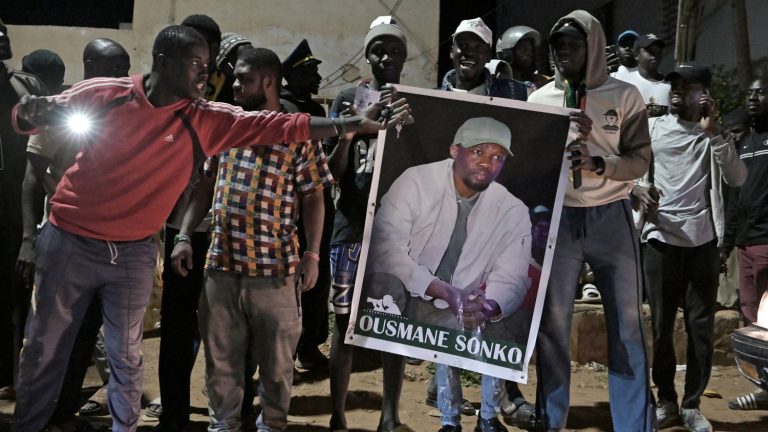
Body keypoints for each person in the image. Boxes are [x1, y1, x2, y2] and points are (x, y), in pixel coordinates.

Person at [10, 24, 408, 432]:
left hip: (135, 251)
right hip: (71, 240)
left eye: (208, 65)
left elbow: (282, 128)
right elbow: (36, 116)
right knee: (44, 346)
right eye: (197, 64)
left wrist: (352, 123)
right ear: (164, 62)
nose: (207, 74)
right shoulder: (106, 94)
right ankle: (28, 423)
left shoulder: (206, 119)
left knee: (126, 357)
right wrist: (28, 113)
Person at [171, 46, 333, 432]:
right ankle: (223, 425)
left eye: (244, 78)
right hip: (221, 267)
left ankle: (271, 426)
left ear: (269, 82)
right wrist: (182, 235)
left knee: (277, 368)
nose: (236, 85)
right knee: (221, 363)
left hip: (275, 270)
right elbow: (204, 185)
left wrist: (311, 255)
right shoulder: (226, 126)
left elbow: (314, 197)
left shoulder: (298, 131)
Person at [527, 10, 654, 431]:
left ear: (594, 47)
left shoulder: (625, 95)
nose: (564, 51)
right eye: (558, 44)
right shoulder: (538, 100)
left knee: (628, 327)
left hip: (611, 218)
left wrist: (599, 161)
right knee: (553, 326)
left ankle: (633, 425)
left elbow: (640, 160)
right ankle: (551, 420)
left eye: (574, 44)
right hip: (559, 222)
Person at [363, 117, 531, 432]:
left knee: (502, 317)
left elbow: (513, 273)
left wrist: (490, 306)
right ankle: (421, 417)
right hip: (413, 297)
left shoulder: (512, 209)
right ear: (455, 150)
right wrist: (440, 289)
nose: (488, 163)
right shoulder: (415, 181)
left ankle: (486, 419)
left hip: (465, 304)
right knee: (382, 283)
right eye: (478, 151)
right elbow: (384, 247)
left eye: (497, 157)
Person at [14, 37, 131, 428]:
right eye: (110, 68)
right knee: (49, 335)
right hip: (64, 236)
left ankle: (62, 413)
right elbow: (33, 177)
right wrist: (29, 239)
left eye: (122, 68)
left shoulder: (129, 111)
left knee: (89, 335)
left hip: (114, 242)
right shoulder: (63, 110)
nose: (118, 76)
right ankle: (34, 418)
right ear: (89, 68)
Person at [633, 62, 746, 432]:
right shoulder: (653, 129)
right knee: (663, 326)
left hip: (702, 243)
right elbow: (633, 172)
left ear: (704, 95)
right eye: (674, 84)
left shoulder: (713, 135)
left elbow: (737, 177)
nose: (678, 90)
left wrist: (714, 134)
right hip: (661, 239)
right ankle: (666, 399)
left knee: (700, 327)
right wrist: (639, 192)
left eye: (687, 85)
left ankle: (693, 403)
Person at [441, 18, 531, 429]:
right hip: (447, 226)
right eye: (461, 45)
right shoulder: (434, 98)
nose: (467, 52)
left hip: (494, 225)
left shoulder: (511, 96)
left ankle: (490, 416)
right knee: (447, 327)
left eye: (477, 46)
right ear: (452, 50)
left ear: (488, 53)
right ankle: (449, 417)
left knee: (491, 326)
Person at [326, 16, 413, 432]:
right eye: (378, 49)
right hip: (351, 227)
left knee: (391, 326)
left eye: (394, 50)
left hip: (398, 235)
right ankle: (338, 414)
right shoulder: (347, 98)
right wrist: (349, 131)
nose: (386, 57)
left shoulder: (416, 103)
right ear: (367, 54)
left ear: (404, 57)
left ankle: (390, 415)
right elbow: (331, 171)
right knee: (344, 326)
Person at [150, 13, 223, 428]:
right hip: (181, 226)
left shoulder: (226, 89)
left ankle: (226, 408)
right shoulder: (172, 91)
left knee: (224, 323)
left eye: (205, 51)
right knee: (177, 322)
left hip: (223, 230)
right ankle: (174, 411)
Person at [280, 38, 335, 370]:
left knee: (317, 273)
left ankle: (310, 344)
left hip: (318, 200)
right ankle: (286, 344)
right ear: (293, 76)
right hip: (289, 206)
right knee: (290, 276)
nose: (317, 78)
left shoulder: (316, 110)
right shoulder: (283, 109)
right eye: (311, 72)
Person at [0, 16, 45, 403]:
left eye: (3, 29)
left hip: (16, 208)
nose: (0, 35)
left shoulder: (25, 85)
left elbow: (38, 157)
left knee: (17, 296)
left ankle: (14, 379)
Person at [723, 78, 768, 411]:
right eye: (749, 92)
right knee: (753, 320)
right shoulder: (746, 142)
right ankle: (764, 388)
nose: (753, 97)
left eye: (760, 92)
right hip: (745, 244)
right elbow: (735, 197)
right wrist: (727, 244)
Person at [441, 18, 527, 100]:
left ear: (489, 56)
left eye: (478, 47)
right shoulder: (434, 99)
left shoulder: (514, 94)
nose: (470, 52)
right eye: (463, 45)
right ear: (452, 52)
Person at [613, 33, 670, 117]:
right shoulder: (624, 83)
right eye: (650, 51)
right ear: (636, 55)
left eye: (658, 51)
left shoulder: (670, 84)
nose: (654, 55)